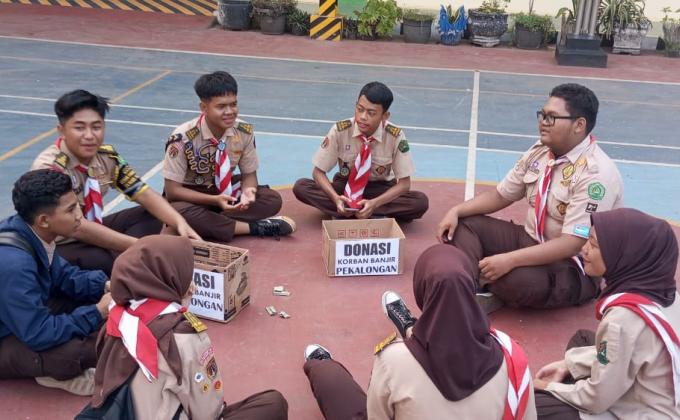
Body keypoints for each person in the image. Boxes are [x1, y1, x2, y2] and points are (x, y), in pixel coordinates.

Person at [437, 83, 623, 312]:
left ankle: (476, 281)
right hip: (530, 239)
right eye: (542, 115)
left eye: (552, 117)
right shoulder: (541, 151)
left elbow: (572, 243)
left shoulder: (596, 175)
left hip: (572, 264)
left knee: (515, 280)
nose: (543, 122)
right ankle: (471, 285)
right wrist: (455, 211)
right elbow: (501, 195)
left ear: (579, 125)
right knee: (463, 225)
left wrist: (510, 260)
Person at [302, 244, 536, 419]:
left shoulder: (392, 360)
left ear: (422, 292)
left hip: (402, 364)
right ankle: (410, 327)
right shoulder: (512, 357)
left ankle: (322, 364)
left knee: (332, 381)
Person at [90, 235, 289, 419]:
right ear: (168, 278)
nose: (191, 281)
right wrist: (184, 302)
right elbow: (207, 412)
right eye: (186, 274)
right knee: (273, 403)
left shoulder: (117, 319)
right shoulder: (184, 336)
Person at [32, 89, 199, 275]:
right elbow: (77, 227)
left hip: (93, 226)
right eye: (79, 128)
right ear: (61, 130)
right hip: (61, 241)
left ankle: (131, 257)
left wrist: (179, 222)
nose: (89, 135)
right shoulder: (49, 169)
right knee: (106, 261)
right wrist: (139, 245)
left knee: (155, 214)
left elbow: (142, 192)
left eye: (96, 127)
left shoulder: (106, 157)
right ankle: (130, 260)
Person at [533, 208, 680, 419]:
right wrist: (568, 365)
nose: (584, 249)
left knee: (536, 404)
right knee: (582, 340)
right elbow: (626, 350)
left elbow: (596, 399)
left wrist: (549, 388)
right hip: (657, 392)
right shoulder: (666, 293)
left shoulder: (623, 318)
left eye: (593, 245)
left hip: (646, 412)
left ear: (623, 255)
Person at [0, 170, 111, 395]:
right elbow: (38, 333)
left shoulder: (32, 233)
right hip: (8, 337)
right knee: (80, 350)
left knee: (98, 308)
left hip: (22, 321)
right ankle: (51, 371)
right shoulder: (15, 264)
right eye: (71, 210)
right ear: (44, 220)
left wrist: (106, 286)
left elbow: (65, 277)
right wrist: (98, 312)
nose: (79, 215)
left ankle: (51, 366)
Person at [163, 71, 296, 241]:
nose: (230, 112)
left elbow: (249, 175)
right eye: (221, 107)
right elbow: (173, 191)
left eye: (233, 104)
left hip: (224, 191)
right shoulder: (182, 137)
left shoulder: (244, 131)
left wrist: (248, 192)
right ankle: (253, 227)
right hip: (192, 195)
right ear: (203, 108)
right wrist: (213, 200)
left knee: (271, 199)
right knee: (176, 211)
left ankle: (213, 223)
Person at [293, 81, 428, 221]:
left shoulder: (395, 135)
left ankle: (357, 211)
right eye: (360, 109)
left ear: (385, 116)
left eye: (371, 113)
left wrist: (375, 204)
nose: (363, 116)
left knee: (419, 202)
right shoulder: (340, 130)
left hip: (381, 189)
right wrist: (335, 198)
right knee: (302, 187)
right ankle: (365, 212)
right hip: (345, 187)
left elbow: (404, 184)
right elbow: (318, 172)